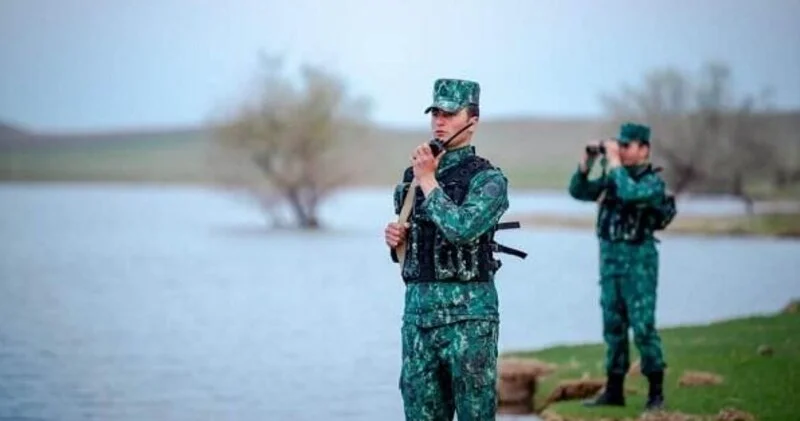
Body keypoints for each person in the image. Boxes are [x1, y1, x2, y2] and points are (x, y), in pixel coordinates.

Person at [383, 78, 526, 421]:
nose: (439, 120)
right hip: (419, 319)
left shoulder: (488, 180)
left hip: (469, 320)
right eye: (435, 112)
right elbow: (413, 252)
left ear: (472, 120)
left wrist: (429, 180)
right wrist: (397, 240)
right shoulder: (411, 178)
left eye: (449, 113)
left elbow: (462, 230)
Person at [568, 122, 677, 412]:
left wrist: (614, 163)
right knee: (613, 327)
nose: (622, 151)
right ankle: (614, 391)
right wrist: (587, 162)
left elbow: (630, 194)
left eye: (627, 146)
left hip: (639, 262)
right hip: (610, 263)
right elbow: (578, 191)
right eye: (620, 145)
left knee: (642, 327)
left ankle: (656, 393)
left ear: (644, 149)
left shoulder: (651, 183)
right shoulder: (612, 178)